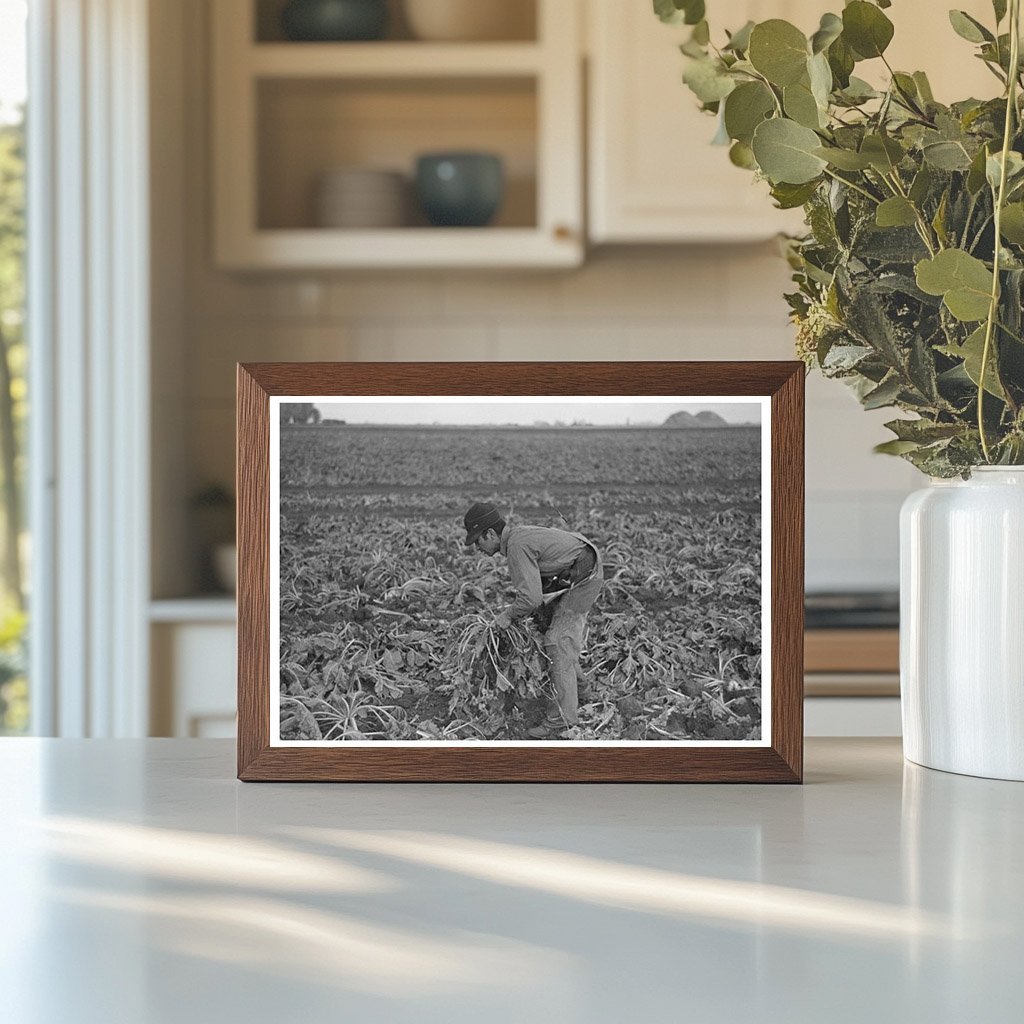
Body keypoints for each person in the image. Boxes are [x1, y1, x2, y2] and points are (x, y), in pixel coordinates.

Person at [463, 501, 604, 738]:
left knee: (557, 641)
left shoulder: (517, 546)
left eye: (478, 540)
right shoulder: (517, 538)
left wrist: (507, 616)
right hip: (574, 573)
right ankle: (582, 691)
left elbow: (530, 598)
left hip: (583, 578)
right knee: (554, 632)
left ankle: (563, 720)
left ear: (490, 533)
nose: (477, 547)